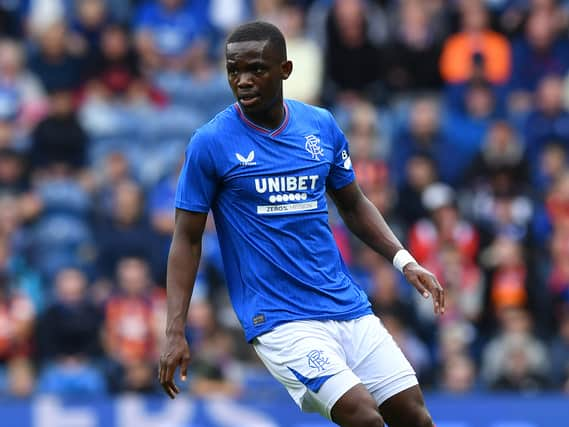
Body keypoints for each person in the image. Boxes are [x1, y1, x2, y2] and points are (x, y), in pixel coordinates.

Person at [159, 21, 444, 427]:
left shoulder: (321, 126)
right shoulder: (211, 142)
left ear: (285, 70)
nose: (242, 80)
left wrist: (404, 260)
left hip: (346, 305)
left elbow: (353, 203)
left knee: (415, 418)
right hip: (280, 319)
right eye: (233, 70)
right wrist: (175, 331)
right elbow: (186, 240)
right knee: (364, 418)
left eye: (256, 68)